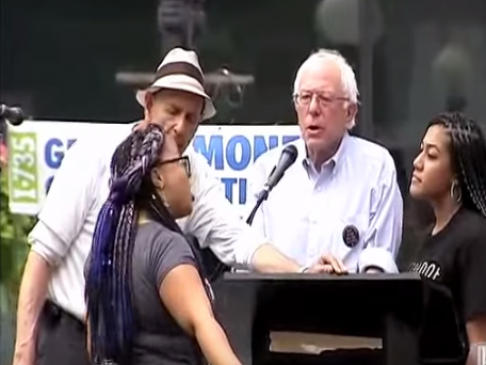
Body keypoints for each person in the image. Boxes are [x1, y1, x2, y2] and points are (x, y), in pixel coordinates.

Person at [13, 47, 345, 365]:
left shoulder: (192, 173)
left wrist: (300, 271)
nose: (181, 126)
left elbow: (239, 240)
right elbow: (42, 256)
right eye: (172, 111)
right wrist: (22, 354)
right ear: (149, 105)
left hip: (135, 345)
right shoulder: (94, 155)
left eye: (191, 118)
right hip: (71, 334)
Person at [85, 124, 241, 365]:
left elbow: (94, 342)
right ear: (158, 178)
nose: (188, 175)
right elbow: (205, 327)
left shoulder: (103, 249)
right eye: (182, 163)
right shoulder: (166, 248)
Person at [247, 49, 403, 273]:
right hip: (277, 305)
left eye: (325, 99)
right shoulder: (268, 169)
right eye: (305, 98)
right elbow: (250, 256)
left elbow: (380, 264)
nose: (312, 109)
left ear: (349, 113)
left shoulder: (376, 168)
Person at [407, 112, 486, 365]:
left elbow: (483, 351)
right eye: (421, 152)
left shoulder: (476, 239)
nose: (417, 163)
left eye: (431, 155)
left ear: (456, 174)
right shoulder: (427, 237)